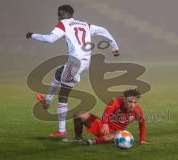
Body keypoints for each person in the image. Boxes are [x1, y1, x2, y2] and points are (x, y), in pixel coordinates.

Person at [26, 4, 120, 137]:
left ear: (66, 14)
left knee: (63, 95)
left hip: (75, 62)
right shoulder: (85, 25)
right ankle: (47, 101)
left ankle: (61, 131)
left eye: (60, 13)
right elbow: (104, 30)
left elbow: (49, 39)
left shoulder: (63, 24)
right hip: (86, 61)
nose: (58, 16)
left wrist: (32, 35)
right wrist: (114, 48)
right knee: (59, 73)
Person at [73, 89, 146, 145]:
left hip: (114, 133)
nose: (132, 105)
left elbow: (142, 123)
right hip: (102, 126)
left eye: (135, 102)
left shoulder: (137, 111)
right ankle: (78, 138)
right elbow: (107, 112)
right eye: (130, 101)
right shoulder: (115, 101)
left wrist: (142, 139)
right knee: (78, 115)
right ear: (124, 99)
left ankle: (92, 141)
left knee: (119, 133)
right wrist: (105, 124)